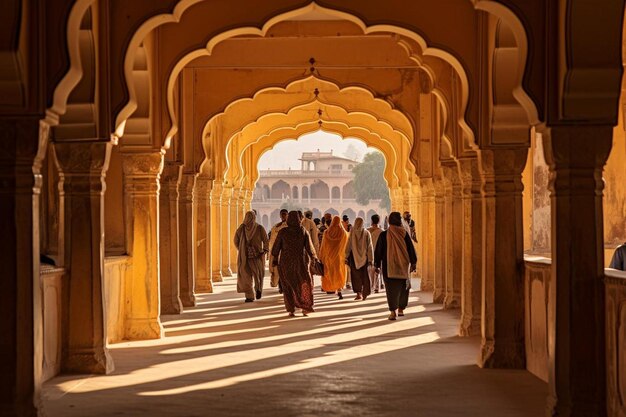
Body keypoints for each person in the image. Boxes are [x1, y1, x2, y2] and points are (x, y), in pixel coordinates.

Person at [272, 211, 318, 317]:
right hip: (300, 262)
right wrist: (313, 258)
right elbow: (309, 248)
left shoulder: (283, 232)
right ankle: (305, 306)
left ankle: (291, 309)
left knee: (288, 285)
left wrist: (274, 259)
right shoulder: (302, 231)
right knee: (303, 283)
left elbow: (276, 248)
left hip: (285, 263)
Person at [374, 211, 417, 320]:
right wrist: (413, 262)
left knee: (391, 289)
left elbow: (379, 250)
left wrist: (377, 264)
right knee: (403, 287)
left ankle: (393, 312)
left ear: (389, 221)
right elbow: (411, 249)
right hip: (403, 265)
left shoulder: (384, 235)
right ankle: (401, 309)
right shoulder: (404, 233)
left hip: (389, 266)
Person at [234, 211, 269, 302]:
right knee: (257, 275)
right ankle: (257, 290)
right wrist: (264, 251)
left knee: (247, 275)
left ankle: (250, 296)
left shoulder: (242, 228)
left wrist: (241, 249)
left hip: (246, 256)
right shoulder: (258, 228)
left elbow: (235, 240)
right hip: (257, 255)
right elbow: (266, 240)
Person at [319, 216, 349, 299]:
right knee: (339, 273)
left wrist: (321, 256)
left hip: (329, 257)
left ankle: (331, 288)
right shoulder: (343, 233)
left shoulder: (326, 232)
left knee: (330, 273)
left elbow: (323, 246)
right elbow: (347, 244)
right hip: (339, 258)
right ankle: (339, 289)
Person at [345, 217, 374, 300]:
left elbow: (348, 245)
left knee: (356, 277)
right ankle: (365, 293)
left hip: (354, 258)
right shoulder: (366, 233)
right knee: (365, 276)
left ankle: (358, 293)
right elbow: (370, 247)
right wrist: (371, 259)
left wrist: (346, 256)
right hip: (365, 258)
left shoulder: (352, 232)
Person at [268, 209, 288, 290]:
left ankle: (284, 286)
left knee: (286, 270)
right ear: (280, 215)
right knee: (278, 270)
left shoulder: (290, 226)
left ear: (287, 215)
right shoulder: (275, 227)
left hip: (286, 251)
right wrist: (272, 252)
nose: (283, 216)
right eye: (282, 214)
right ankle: (281, 286)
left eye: (285, 214)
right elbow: (272, 241)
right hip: (277, 251)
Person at [367, 214, 384, 292]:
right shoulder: (382, 231)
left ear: (371, 220)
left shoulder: (367, 231)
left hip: (369, 253)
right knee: (378, 269)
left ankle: (370, 286)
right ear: (379, 221)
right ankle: (377, 287)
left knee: (370, 270)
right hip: (379, 253)